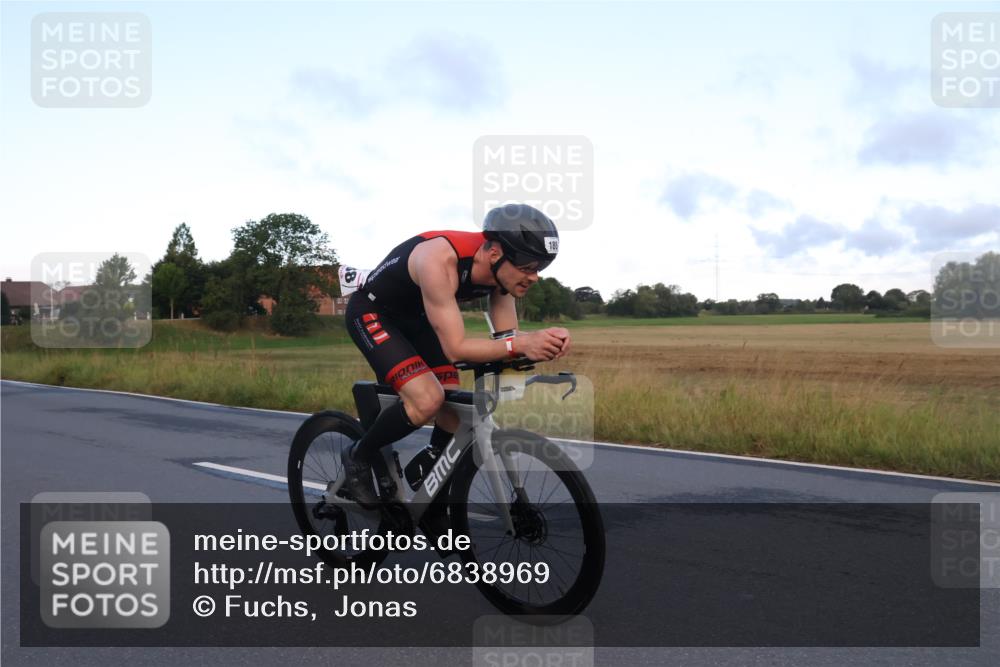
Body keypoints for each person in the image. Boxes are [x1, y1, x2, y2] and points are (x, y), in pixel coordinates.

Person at [341, 203, 571, 507]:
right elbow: (456, 348)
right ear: (494, 253)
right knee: (426, 399)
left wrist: (541, 345)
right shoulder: (440, 259)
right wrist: (521, 345)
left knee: (453, 404)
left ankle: (431, 475)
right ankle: (358, 456)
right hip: (374, 314)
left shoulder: (502, 277)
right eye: (528, 267)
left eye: (539, 269)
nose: (534, 277)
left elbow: (507, 342)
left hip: (420, 318)